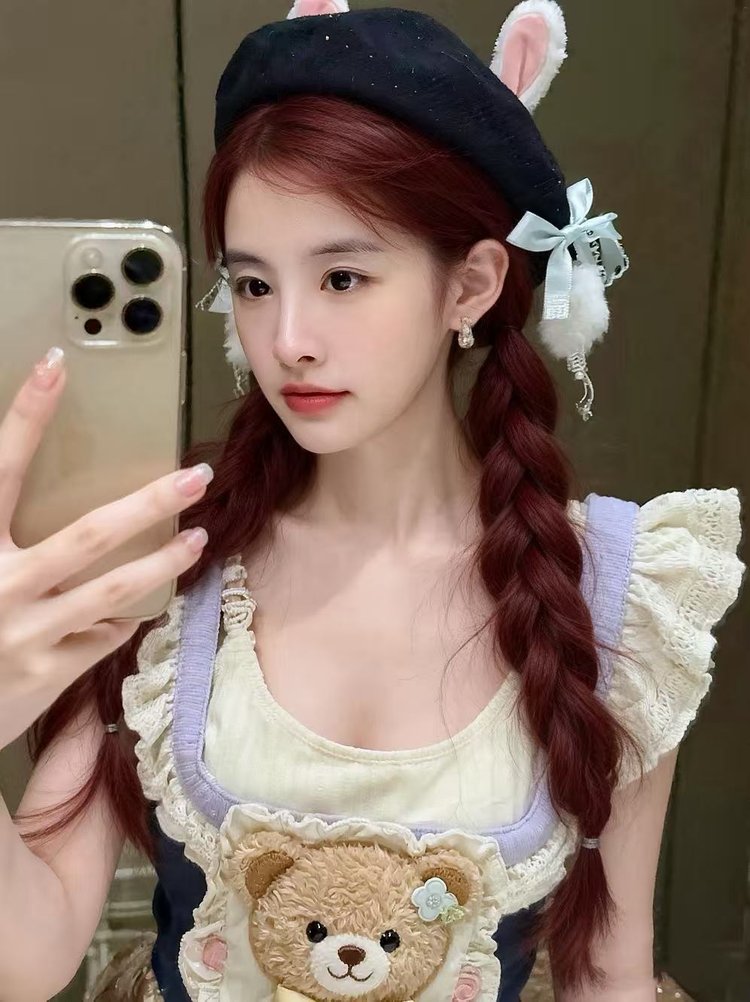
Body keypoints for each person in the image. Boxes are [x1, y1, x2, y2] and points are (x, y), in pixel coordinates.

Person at [0, 2, 745, 1001]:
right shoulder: (166, 559)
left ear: (471, 285)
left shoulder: (620, 592)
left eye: (343, 277)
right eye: (254, 285)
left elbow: (606, 971)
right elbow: (27, 960)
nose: (288, 340)